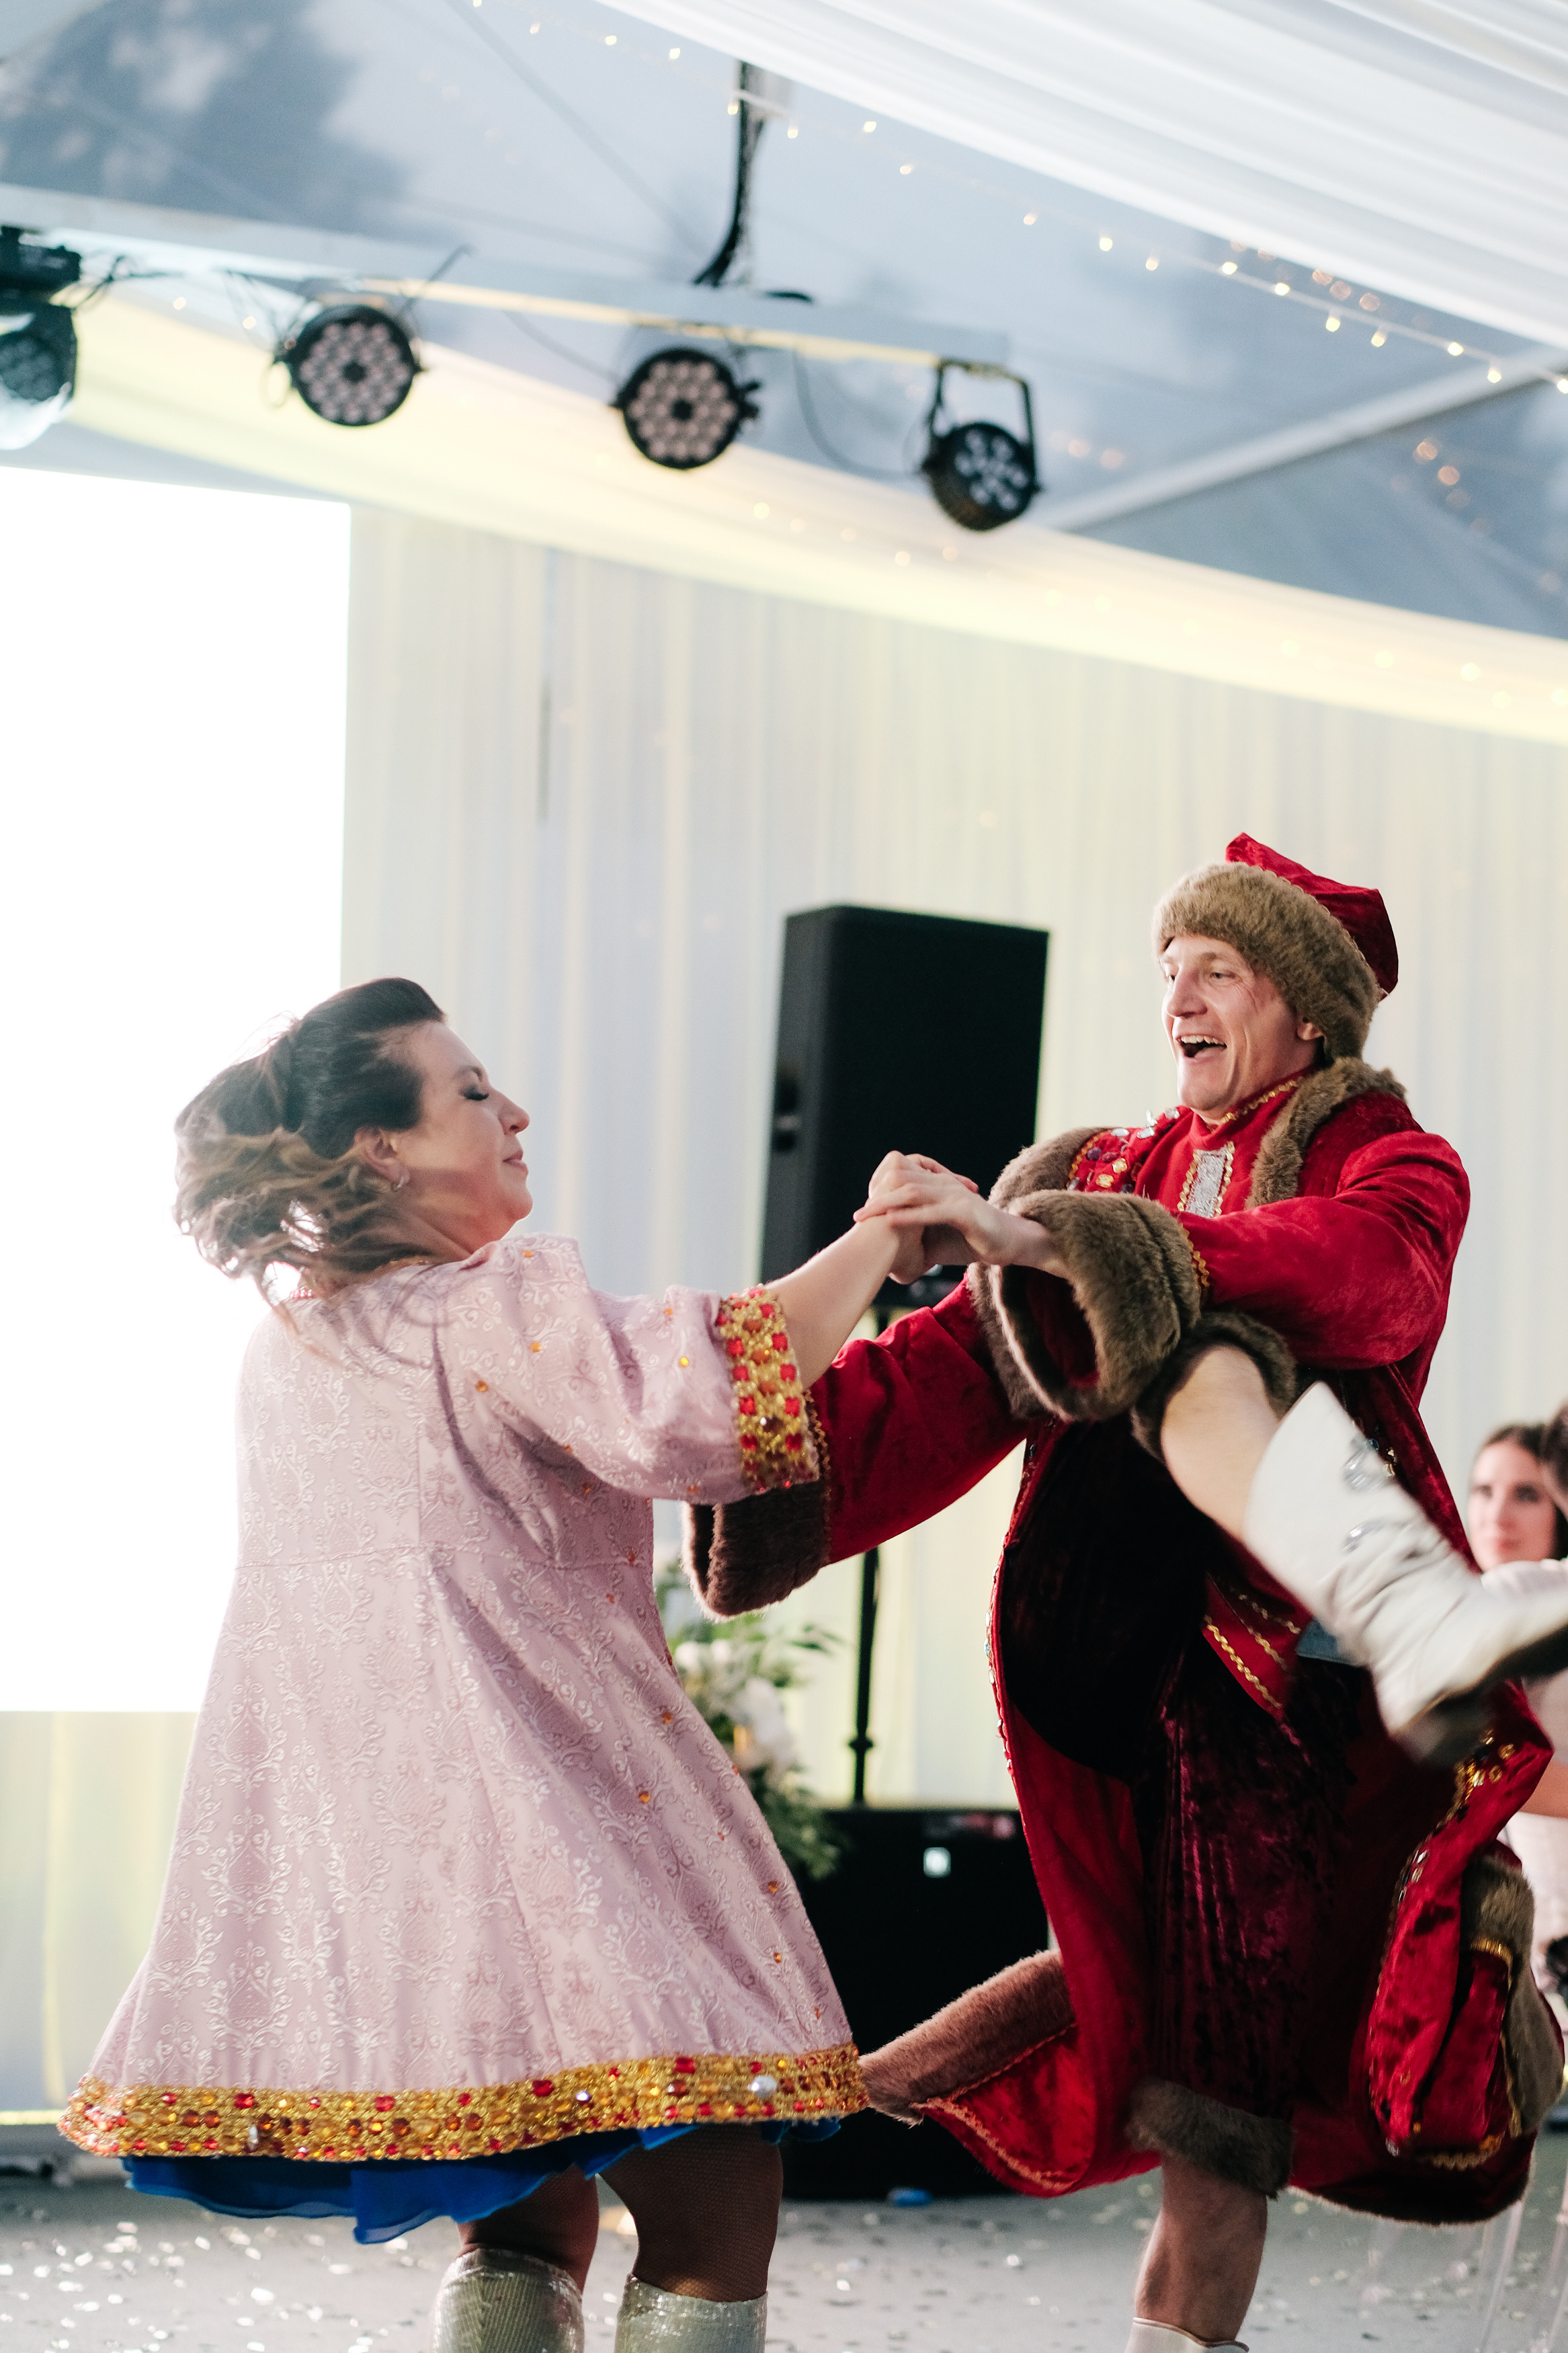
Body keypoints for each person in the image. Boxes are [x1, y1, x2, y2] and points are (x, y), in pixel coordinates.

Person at [688, 837, 1568, 2353]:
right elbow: (952, 1375)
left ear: (1303, 1009)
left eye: (1215, 969)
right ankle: (868, 2088)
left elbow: (1365, 1279)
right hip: (1111, 1659)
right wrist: (765, 1453)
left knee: (1211, 2101)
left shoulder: (1389, 1160)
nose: (1177, 996)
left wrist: (1082, 1248)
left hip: (1276, 1693)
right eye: (1167, 969)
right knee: (1158, 2021)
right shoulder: (1094, 1168)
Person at [57, 976, 929, 2353]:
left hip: (395, 1875)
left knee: (528, 2204)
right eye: (469, 1091)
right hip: (542, 1824)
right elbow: (691, 1408)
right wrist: (879, 1238)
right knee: (716, 2198)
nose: (513, 1110)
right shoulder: (488, 1302)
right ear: (379, 1150)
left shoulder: (284, 1348)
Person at [1469, 1423, 1568, 1994]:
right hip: (1537, 1947)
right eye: (1482, 1491)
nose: (1496, 1515)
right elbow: (1488, 1768)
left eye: (1523, 1493)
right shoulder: (1509, 1598)